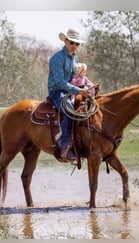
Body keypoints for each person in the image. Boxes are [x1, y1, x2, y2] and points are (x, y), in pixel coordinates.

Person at [48, 28, 89, 162]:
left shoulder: (74, 58)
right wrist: (78, 90)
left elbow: (74, 77)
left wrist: (84, 85)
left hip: (70, 91)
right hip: (57, 92)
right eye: (72, 42)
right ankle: (64, 146)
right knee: (70, 112)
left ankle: (80, 145)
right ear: (65, 41)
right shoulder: (56, 58)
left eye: (77, 44)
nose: (74, 46)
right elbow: (60, 82)